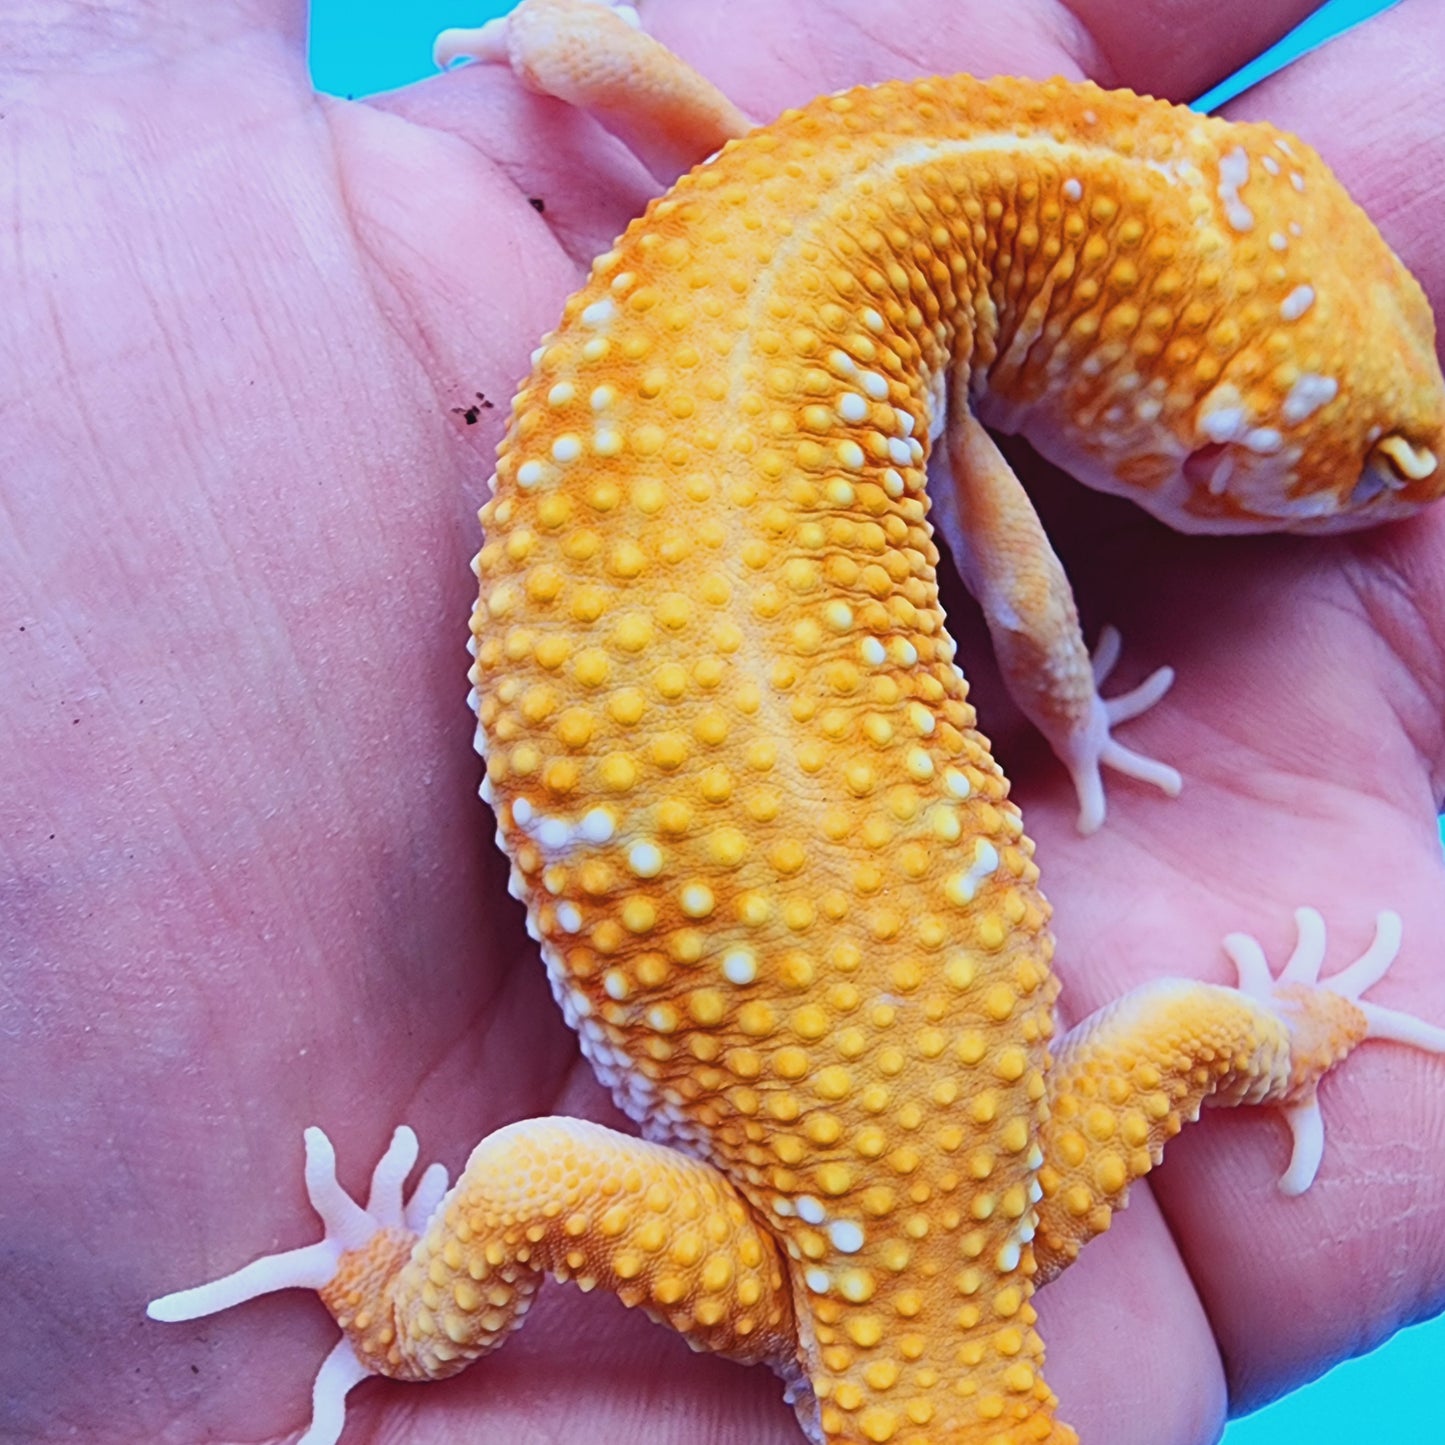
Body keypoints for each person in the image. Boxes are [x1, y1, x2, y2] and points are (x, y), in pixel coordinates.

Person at [4, 2, 1442, 1441]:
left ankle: (399, 1324)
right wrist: (1278, 1033)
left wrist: (546, 48)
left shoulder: (768, 177)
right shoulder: (937, 1240)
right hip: (952, 1176)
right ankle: (1299, 1035)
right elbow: (526, 1190)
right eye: (1375, 462)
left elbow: (591, 60)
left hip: (937, 1161)